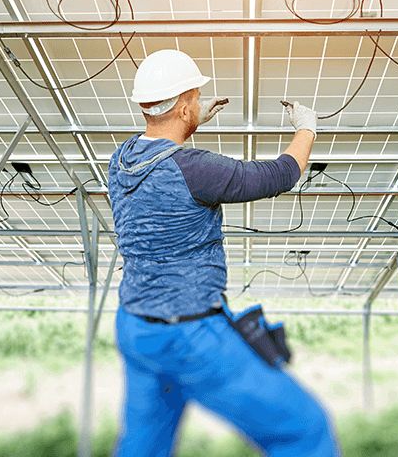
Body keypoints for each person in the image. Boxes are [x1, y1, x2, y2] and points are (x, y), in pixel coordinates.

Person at [107, 48, 340, 457]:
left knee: (144, 445)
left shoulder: (121, 158)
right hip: (189, 334)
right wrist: (307, 130)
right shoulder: (196, 169)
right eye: (194, 99)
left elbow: (161, 145)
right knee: (304, 429)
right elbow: (279, 175)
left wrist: (187, 122)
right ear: (181, 107)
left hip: (136, 327)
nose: (198, 103)